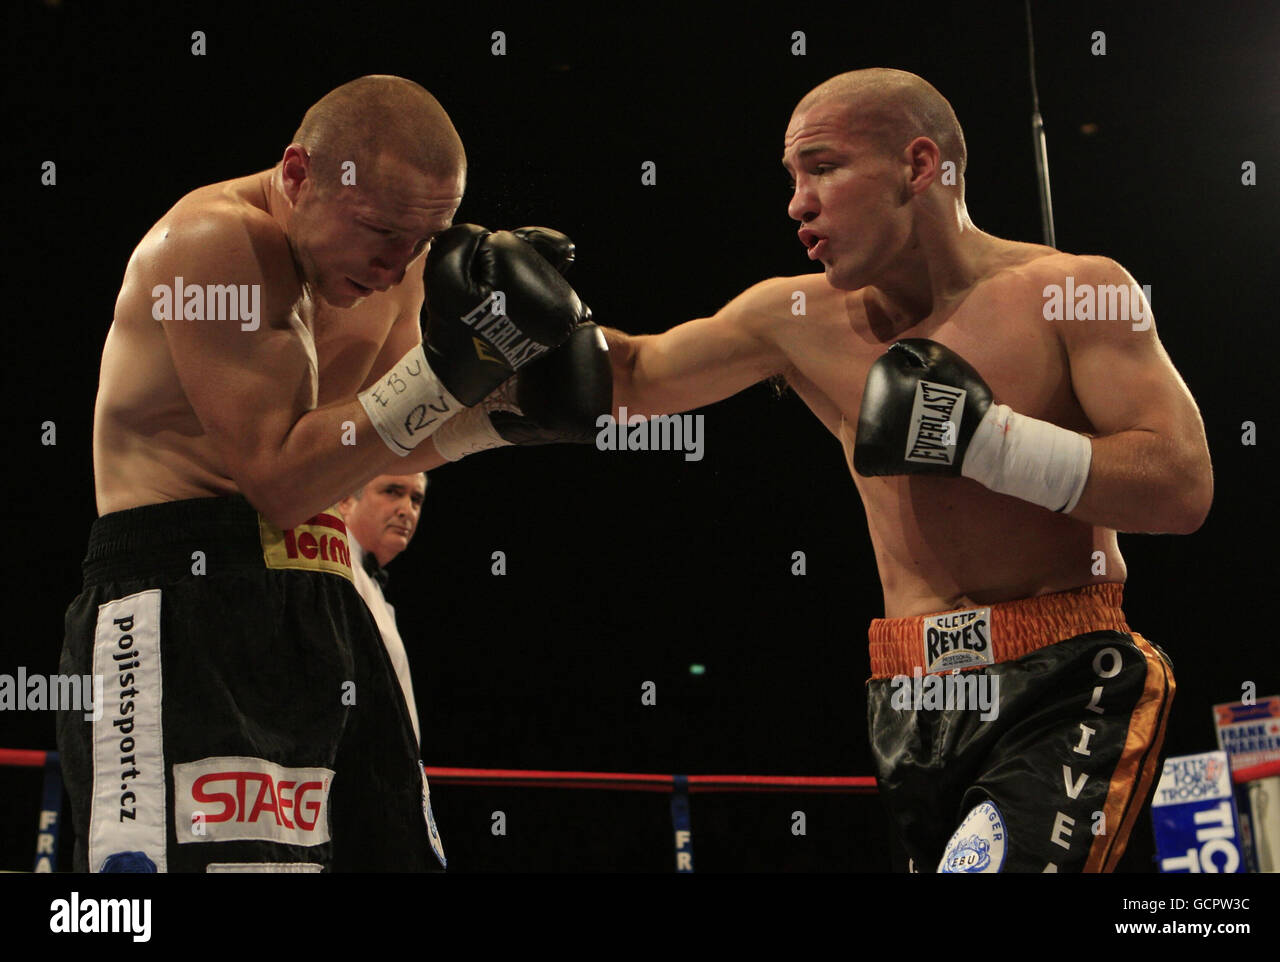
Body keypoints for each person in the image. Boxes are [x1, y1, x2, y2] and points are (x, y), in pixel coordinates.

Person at [598, 68, 1212, 872]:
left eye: (821, 168)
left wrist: (989, 441)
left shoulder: (1073, 291)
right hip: (909, 693)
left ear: (918, 167)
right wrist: (508, 325)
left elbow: (1180, 484)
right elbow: (635, 379)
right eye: (791, 178)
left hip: (1062, 679)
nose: (797, 203)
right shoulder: (794, 318)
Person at [57, 74, 591, 872]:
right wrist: (454, 374)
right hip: (182, 600)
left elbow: (382, 440)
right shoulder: (210, 243)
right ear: (299, 174)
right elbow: (279, 482)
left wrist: (512, 410)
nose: (397, 263)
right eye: (378, 229)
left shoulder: (399, 262)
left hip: (327, 592)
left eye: (423, 240)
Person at [337, 472, 428, 746]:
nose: (406, 510)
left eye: (416, 499)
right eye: (392, 491)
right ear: (345, 500)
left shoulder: (369, 580)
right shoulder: (339, 573)